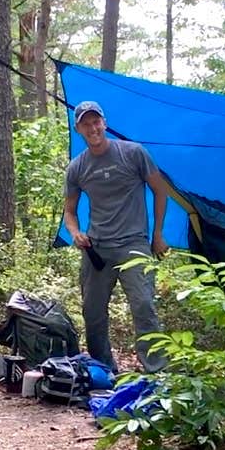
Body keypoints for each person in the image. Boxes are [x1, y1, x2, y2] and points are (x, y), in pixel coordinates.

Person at [63, 100, 169, 373]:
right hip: (97, 248)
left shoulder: (133, 153)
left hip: (134, 243)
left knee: (143, 305)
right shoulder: (77, 168)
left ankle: (156, 371)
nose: (92, 128)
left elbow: (160, 190)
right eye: (86, 124)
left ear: (104, 123)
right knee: (92, 311)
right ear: (79, 129)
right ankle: (103, 370)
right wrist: (75, 233)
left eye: (96, 122)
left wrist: (157, 234)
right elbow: (70, 212)